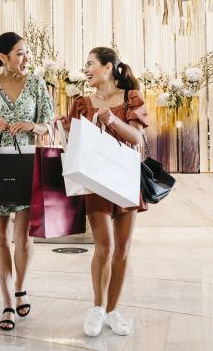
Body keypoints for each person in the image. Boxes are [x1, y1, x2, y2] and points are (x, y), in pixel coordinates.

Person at [62, 47, 148, 337]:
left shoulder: (131, 98)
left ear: (108, 67)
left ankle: (112, 311)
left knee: (122, 249)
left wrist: (112, 119)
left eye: (90, 64)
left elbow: (136, 137)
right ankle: (97, 308)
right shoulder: (81, 103)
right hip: (96, 181)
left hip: (124, 179)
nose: (86, 69)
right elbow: (72, 140)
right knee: (105, 246)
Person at [0, 31, 54, 331]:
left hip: (27, 163)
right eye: (19, 52)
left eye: (26, 52)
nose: (25, 58)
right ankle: (7, 302)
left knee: (24, 236)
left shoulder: (36, 84)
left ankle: (20, 287)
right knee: (1, 237)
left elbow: (49, 124)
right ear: (3, 57)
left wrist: (33, 125)